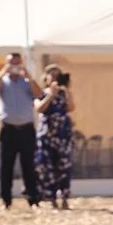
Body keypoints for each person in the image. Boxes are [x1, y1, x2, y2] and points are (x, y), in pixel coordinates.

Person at [0, 53, 41, 208]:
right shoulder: (3, 83)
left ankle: (32, 199)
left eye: (18, 63)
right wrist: (2, 73)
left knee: (29, 166)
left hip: (26, 129)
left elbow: (39, 94)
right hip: (9, 130)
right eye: (12, 63)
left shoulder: (27, 82)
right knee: (7, 166)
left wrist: (28, 75)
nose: (15, 67)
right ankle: (6, 200)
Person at [34, 65, 75, 208]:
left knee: (64, 165)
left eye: (58, 75)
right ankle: (50, 197)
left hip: (62, 133)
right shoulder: (42, 93)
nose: (55, 78)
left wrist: (67, 89)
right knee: (47, 166)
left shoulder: (64, 93)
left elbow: (71, 108)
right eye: (52, 75)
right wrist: (51, 94)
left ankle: (64, 197)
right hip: (47, 133)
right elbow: (39, 108)